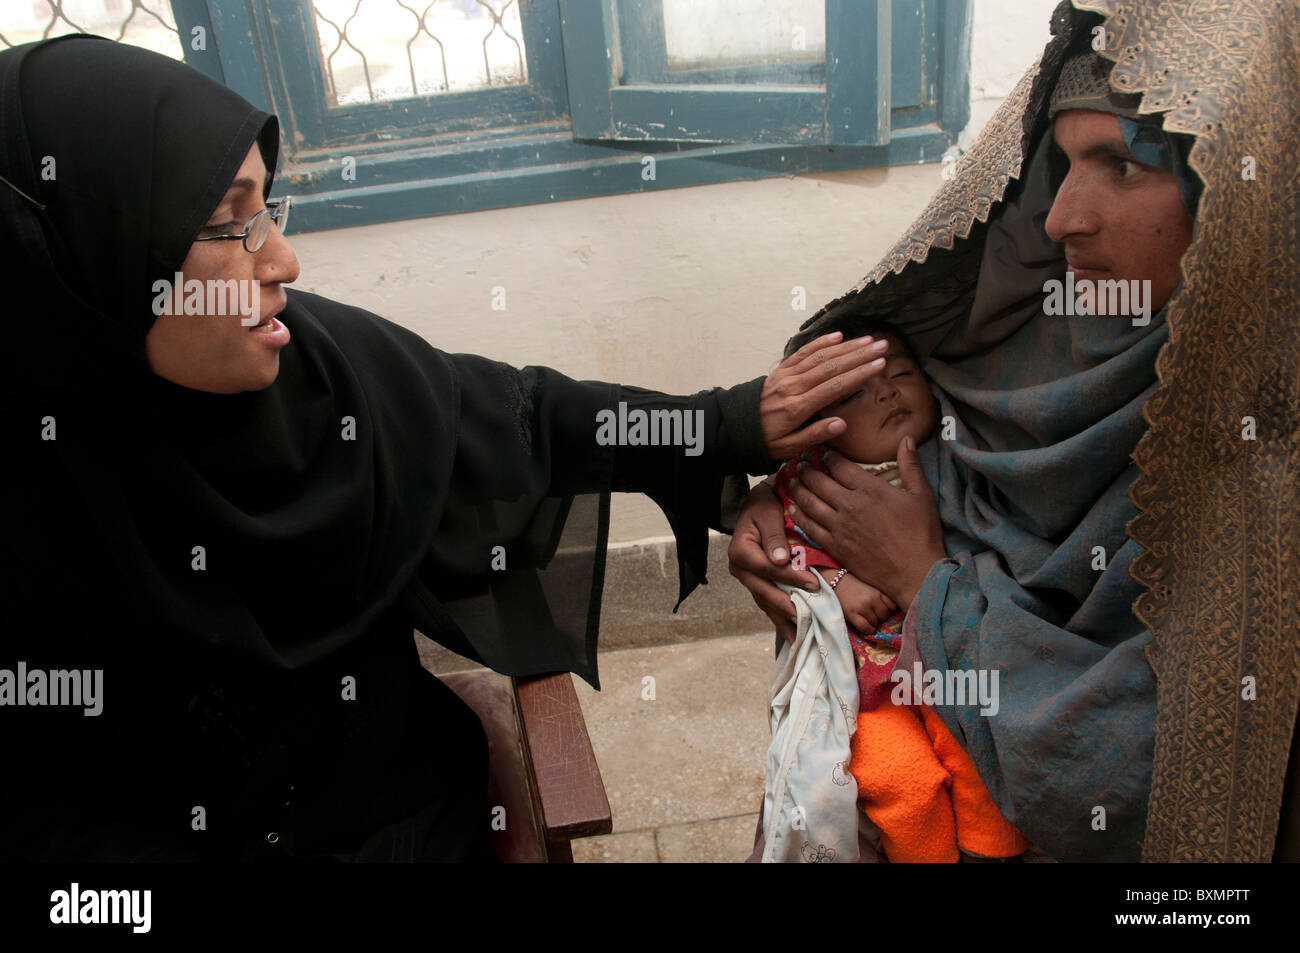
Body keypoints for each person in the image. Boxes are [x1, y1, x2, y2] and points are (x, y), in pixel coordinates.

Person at [0, 34, 895, 861]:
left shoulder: (320, 370)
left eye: (267, 207)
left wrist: (727, 422)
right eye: (229, 225)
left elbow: (526, 417)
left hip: (403, 822)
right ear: (95, 257)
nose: (283, 262)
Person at [733, 0, 1300, 862]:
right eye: (1062, 164)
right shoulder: (1020, 329)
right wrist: (789, 514)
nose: (1062, 217)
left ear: (1242, 196)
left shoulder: (1265, 450)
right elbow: (890, 436)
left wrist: (926, 580)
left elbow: (1147, 777)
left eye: (1119, 164)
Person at [758, 319, 1029, 862]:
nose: (885, 391)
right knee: (899, 779)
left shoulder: (966, 461)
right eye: (854, 393)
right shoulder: (807, 484)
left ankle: (991, 853)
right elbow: (781, 559)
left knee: (985, 759)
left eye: (901, 372)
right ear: (820, 424)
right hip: (864, 688)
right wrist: (836, 582)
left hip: (956, 663)